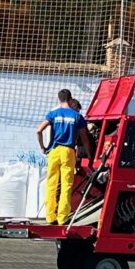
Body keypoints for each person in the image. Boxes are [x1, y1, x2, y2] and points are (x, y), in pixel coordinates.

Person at [36, 89, 92, 225]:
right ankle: (62, 217)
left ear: (59, 99)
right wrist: (89, 155)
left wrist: (43, 147)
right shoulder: (76, 116)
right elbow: (84, 138)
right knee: (67, 184)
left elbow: (38, 130)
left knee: (51, 184)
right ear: (71, 98)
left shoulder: (53, 114)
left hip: (54, 151)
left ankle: (50, 216)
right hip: (68, 151)